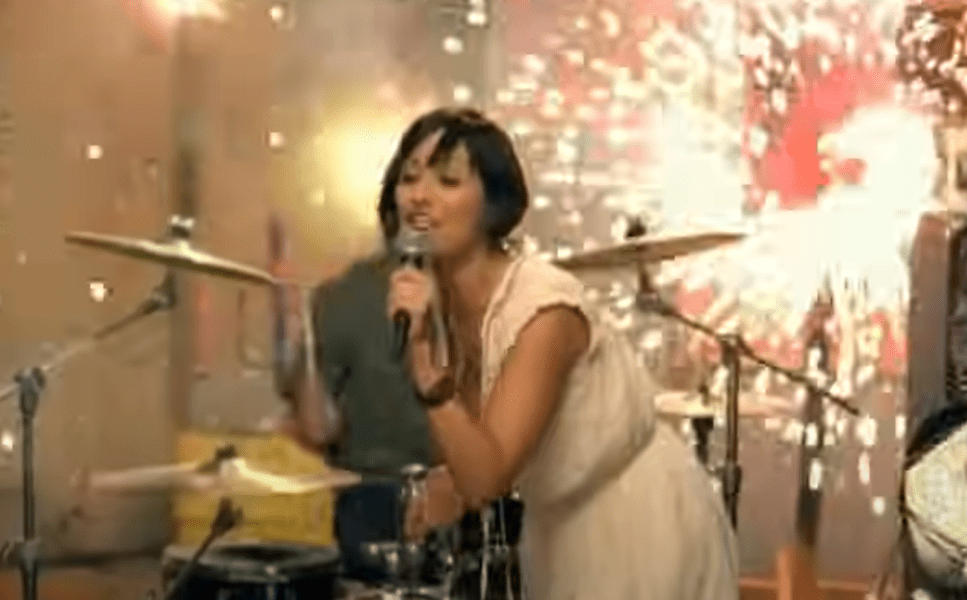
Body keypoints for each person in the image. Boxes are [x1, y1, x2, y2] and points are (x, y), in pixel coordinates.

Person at [382, 107, 740, 599]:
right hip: (558, 525)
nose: (420, 196)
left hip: (632, 520)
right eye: (408, 178)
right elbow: (483, 444)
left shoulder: (543, 309)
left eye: (448, 180)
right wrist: (450, 481)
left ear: (494, 201)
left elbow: (487, 478)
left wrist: (426, 368)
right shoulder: (439, 303)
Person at [271, 246, 444, 583]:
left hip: (371, 499)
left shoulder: (342, 293)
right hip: (447, 495)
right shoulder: (481, 286)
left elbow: (318, 428)